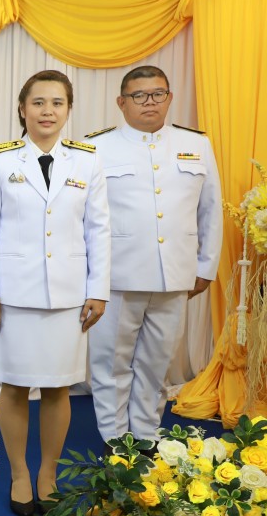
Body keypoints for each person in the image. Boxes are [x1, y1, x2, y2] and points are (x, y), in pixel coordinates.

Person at [0, 70, 111, 516]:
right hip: (12, 295)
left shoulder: (87, 161)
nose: (47, 111)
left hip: (69, 296)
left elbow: (98, 229)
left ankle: (47, 473)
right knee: (13, 386)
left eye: (57, 102)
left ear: (68, 109)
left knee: (58, 388)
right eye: (38, 102)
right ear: (22, 108)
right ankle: (19, 473)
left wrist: (98, 289)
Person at [87, 65, 223, 447]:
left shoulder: (197, 144)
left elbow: (210, 209)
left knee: (157, 363)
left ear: (169, 97)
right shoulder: (97, 147)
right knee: (111, 365)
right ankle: (116, 443)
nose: (150, 102)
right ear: (122, 102)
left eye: (158, 94)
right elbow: (85, 218)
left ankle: (145, 439)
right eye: (139, 95)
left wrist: (205, 266)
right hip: (116, 276)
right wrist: (91, 277)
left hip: (175, 274)